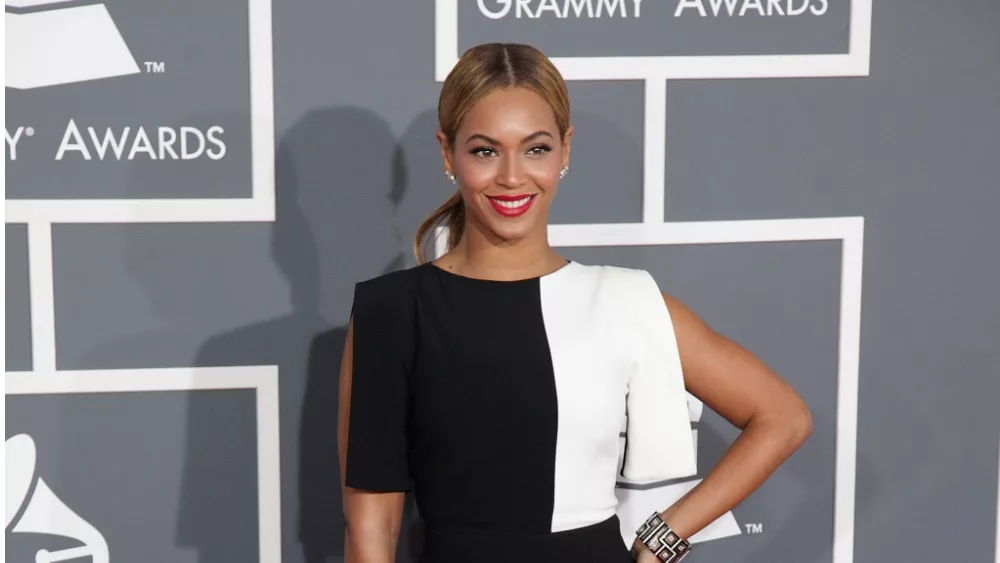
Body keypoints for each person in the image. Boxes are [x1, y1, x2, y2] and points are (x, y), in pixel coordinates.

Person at [337, 42, 813, 563]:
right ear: (448, 152)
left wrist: (663, 537)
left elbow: (783, 417)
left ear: (565, 149)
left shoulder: (624, 302)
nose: (513, 176)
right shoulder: (392, 312)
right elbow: (370, 534)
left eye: (536, 148)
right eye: (485, 150)